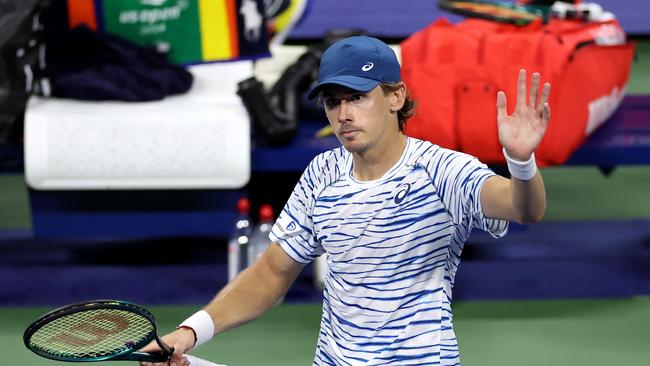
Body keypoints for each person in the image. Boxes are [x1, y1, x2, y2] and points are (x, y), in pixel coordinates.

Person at [140, 35, 550, 366]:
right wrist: (190, 334)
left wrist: (520, 161)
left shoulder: (442, 171)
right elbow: (270, 274)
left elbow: (523, 208)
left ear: (395, 97)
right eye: (333, 102)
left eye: (357, 97)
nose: (343, 114)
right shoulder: (322, 174)